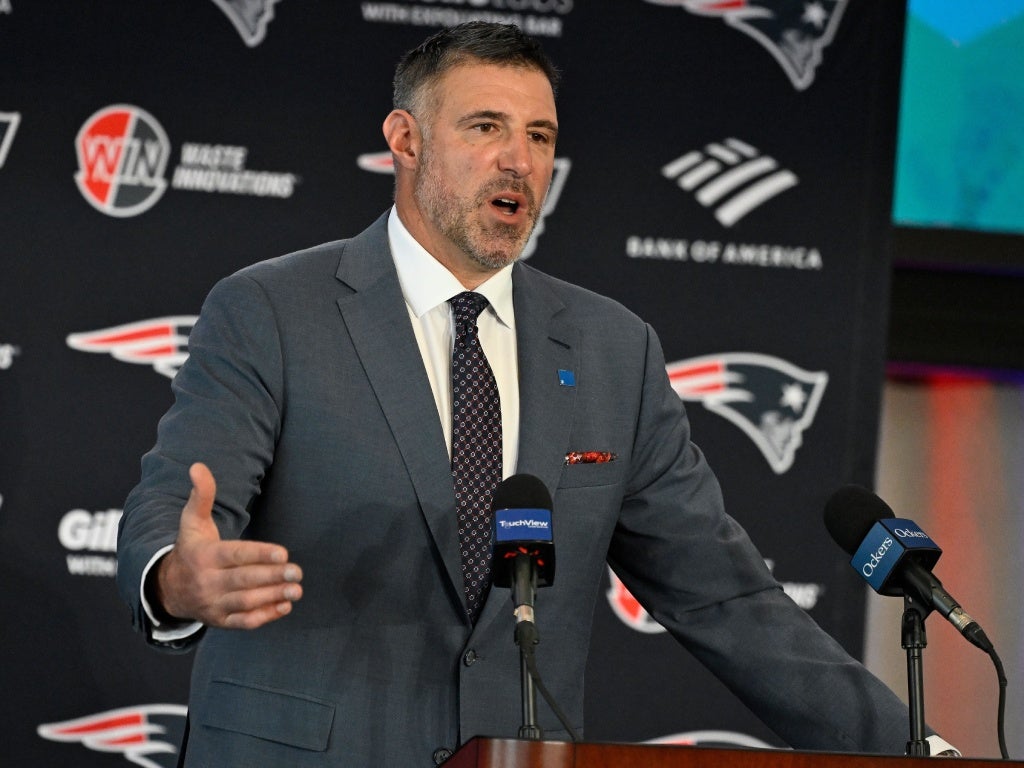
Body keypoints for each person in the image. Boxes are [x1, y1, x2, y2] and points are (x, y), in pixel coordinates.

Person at [117, 21, 954, 767]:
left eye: (541, 136)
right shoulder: (272, 308)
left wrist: (915, 751)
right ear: (404, 140)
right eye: (486, 127)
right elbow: (177, 504)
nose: (520, 160)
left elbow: (724, 595)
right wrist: (174, 580)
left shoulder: (612, 350)